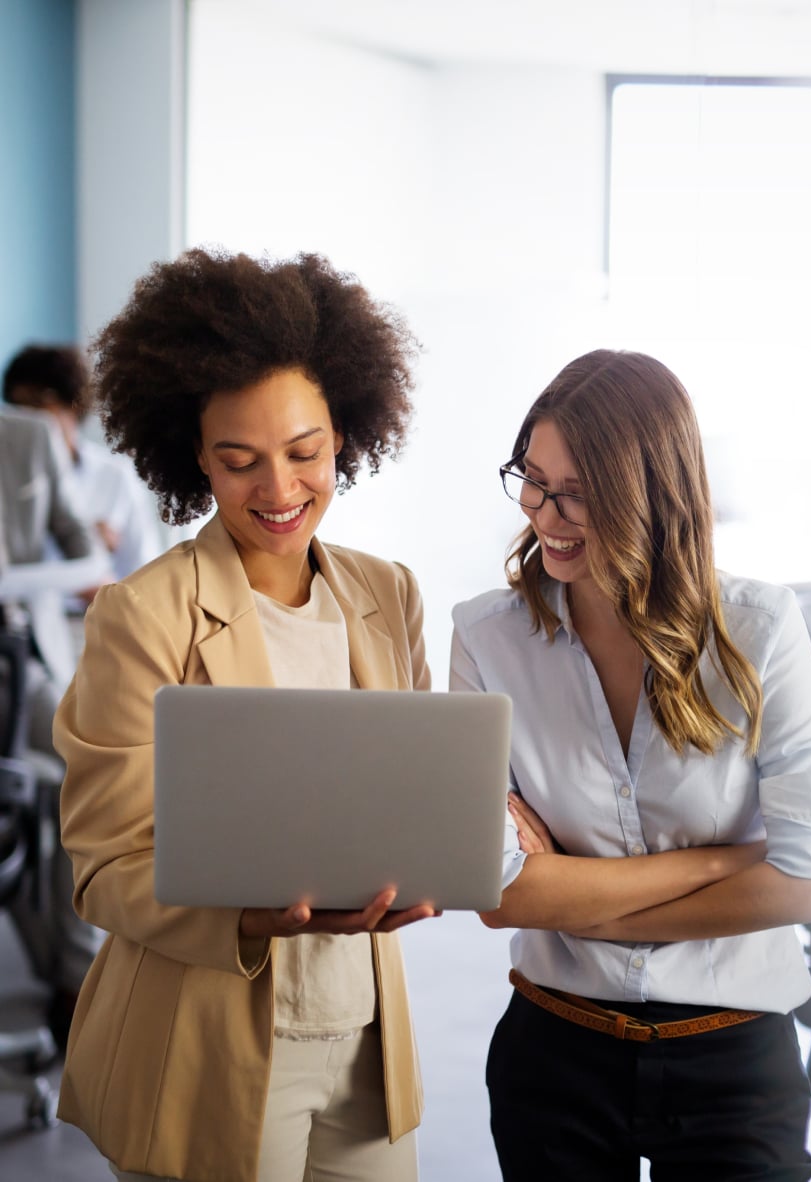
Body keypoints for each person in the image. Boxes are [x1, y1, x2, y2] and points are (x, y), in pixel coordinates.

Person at [52, 247, 438, 1182]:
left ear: (344, 433)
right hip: (204, 1040)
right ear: (193, 457)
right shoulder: (143, 617)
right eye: (239, 461)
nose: (278, 491)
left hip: (365, 1040)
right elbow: (104, 865)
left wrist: (430, 863)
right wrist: (248, 918)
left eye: (304, 453)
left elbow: (413, 792)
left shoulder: (388, 596)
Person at [451, 349, 811, 1181]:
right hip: (552, 1058)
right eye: (531, 479)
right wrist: (718, 864)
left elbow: (806, 885)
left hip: (732, 1060)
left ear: (652, 494)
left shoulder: (762, 630)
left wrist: (576, 900)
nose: (544, 514)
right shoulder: (487, 640)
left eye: (578, 492)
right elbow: (500, 893)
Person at [0, 390, 111, 1048]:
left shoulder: (31, 437)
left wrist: (27, 579)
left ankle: (77, 980)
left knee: (91, 768)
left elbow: (89, 556)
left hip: (16, 658)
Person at [4, 343, 163, 586]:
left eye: (39, 404)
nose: (30, 418)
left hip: (104, 609)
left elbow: (146, 567)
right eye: (19, 408)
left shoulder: (116, 476)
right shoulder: (10, 472)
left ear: (73, 404)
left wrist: (98, 557)